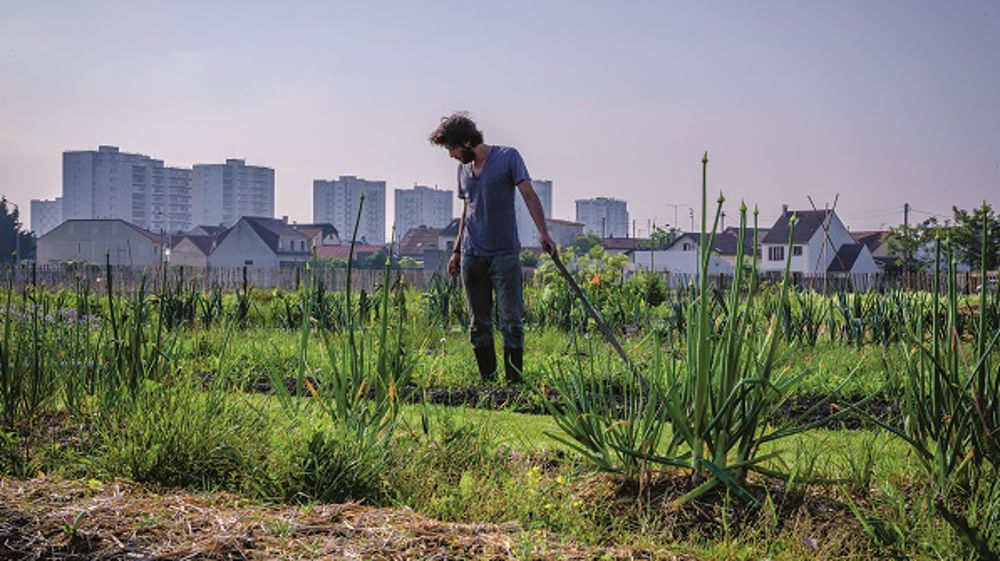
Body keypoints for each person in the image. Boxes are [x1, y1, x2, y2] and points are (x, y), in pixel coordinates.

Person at [428, 112, 556, 384]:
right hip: (472, 257)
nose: (450, 155)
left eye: (451, 148)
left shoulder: (508, 157)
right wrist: (457, 250)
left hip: (504, 255)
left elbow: (529, 195)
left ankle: (513, 383)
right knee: (479, 324)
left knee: (511, 321)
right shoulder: (462, 169)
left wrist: (544, 233)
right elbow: (467, 209)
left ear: (465, 140)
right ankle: (488, 383)